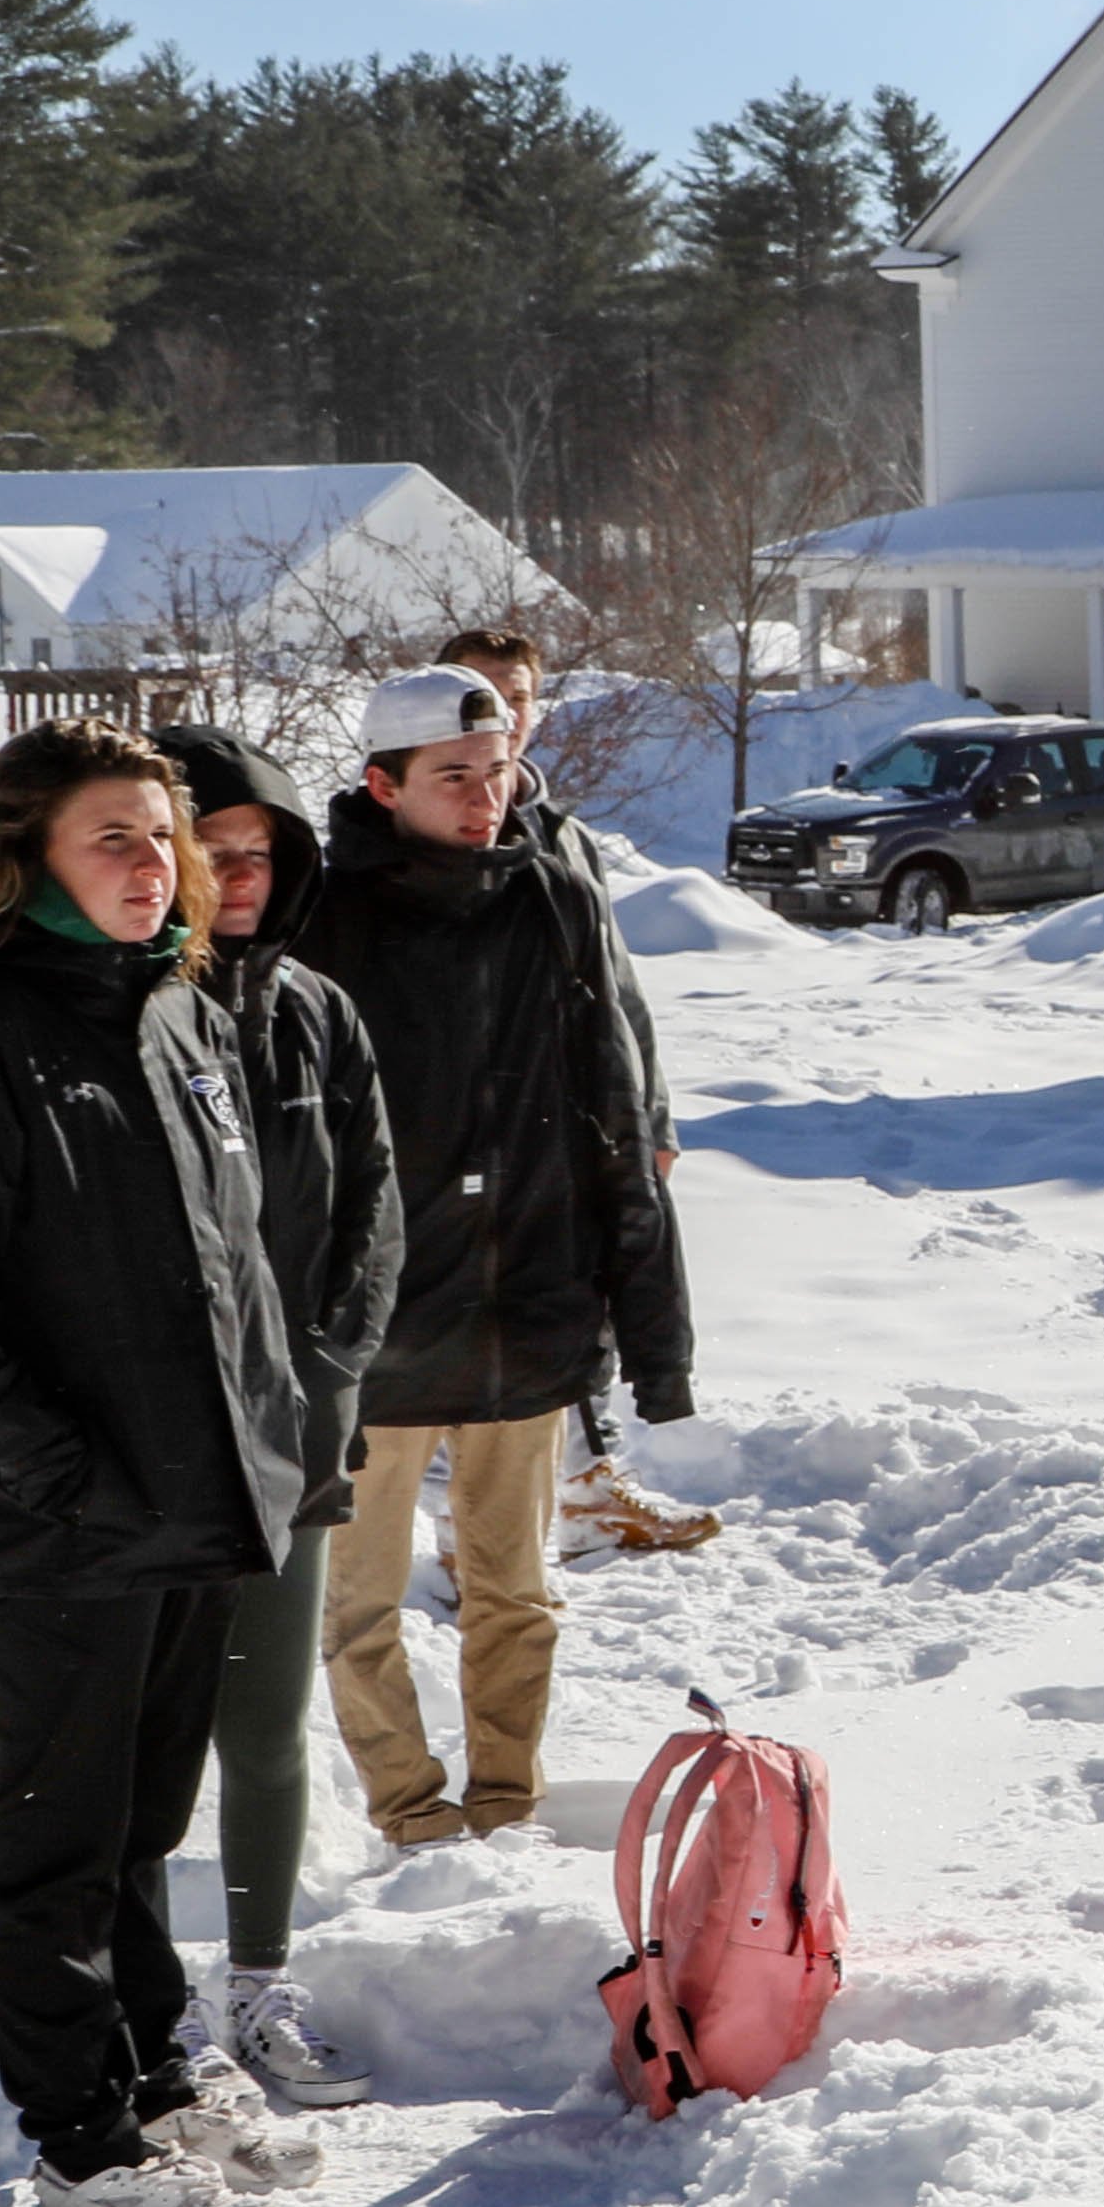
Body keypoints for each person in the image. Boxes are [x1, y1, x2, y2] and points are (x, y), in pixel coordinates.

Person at [0, 724, 324, 2207]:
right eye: (111, 839)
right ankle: (79, 2142)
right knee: (53, 1848)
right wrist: (59, 1473)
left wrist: (272, 1443)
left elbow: (227, 1275)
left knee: (138, 1830)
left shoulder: (181, 1012)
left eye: (163, 839)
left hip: (196, 1505)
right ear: (31, 856)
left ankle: (160, 2073)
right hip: (63, 1524)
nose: (152, 867)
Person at [289, 668, 694, 1848]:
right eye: (454, 777)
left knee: (513, 1588)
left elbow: (609, 1082)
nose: (484, 797)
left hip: (522, 1296)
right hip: (375, 1317)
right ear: (384, 784)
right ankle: (411, 1813)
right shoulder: (324, 914)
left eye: (499, 770)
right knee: (359, 1596)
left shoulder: (547, 892)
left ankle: (506, 1803)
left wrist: (623, 1274)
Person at [152, 720, 400, 2107]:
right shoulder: (127, 1013)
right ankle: (150, 2005)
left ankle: (255, 1984)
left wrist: (330, 1378)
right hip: (158, 1446)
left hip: (293, 1437)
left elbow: (373, 1218)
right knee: (145, 1739)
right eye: (214, 850)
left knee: (267, 1725)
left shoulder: (317, 1011)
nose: (240, 876)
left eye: (263, 852)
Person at [425, 623, 714, 1560]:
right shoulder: (416, 837)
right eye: (482, 690)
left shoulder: (561, 834)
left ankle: (591, 1493)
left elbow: (616, 991)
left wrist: (648, 1114)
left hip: (570, 1117)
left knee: (574, 1301)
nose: (504, 710)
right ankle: (455, 1527)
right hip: (470, 1135)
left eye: (519, 694)